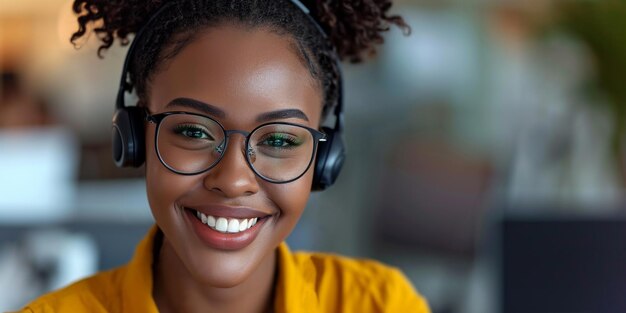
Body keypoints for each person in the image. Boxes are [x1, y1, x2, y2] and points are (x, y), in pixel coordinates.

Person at [17, 0, 430, 312]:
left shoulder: (379, 303)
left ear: (325, 161)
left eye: (281, 141)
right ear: (135, 137)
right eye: (194, 131)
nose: (233, 180)